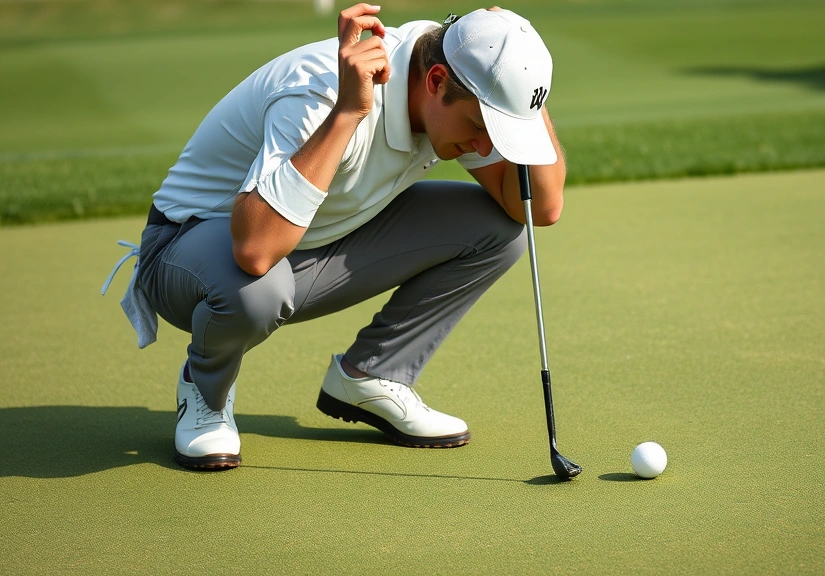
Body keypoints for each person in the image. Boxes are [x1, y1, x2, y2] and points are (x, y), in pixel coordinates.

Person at [102, 4, 566, 471]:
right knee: (258, 287)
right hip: (191, 247)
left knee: (500, 230)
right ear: (436, 81)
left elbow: (540, 207)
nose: (487, 147)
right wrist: (348, 111)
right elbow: (254, 248)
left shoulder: (445, 82)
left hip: (312, 241)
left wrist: (523, 93)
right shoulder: (321, 88)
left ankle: (371, 376)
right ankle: (205, 392)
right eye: (480, 127)